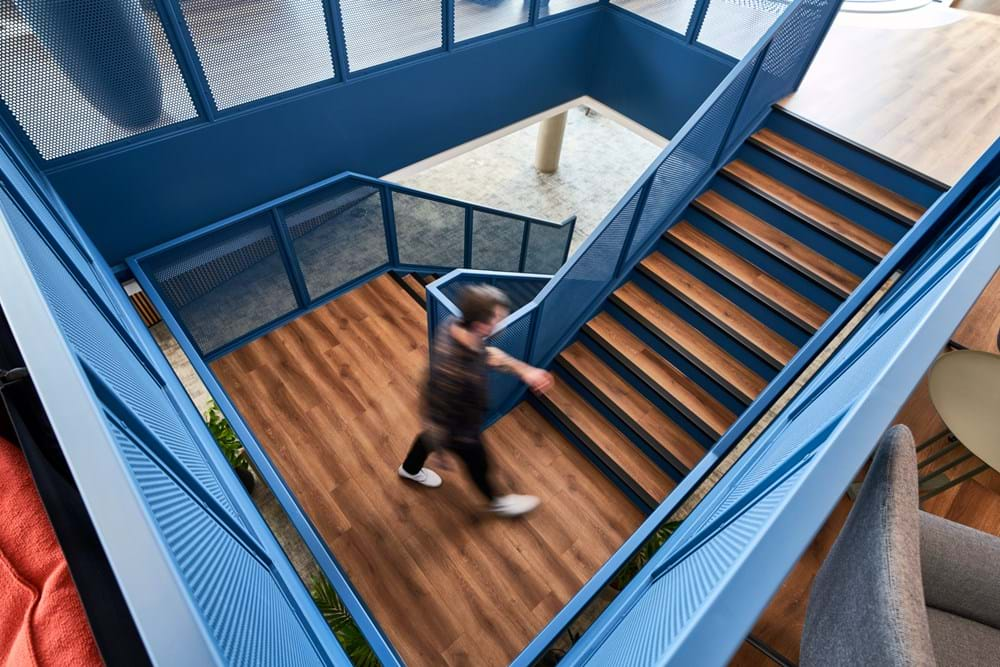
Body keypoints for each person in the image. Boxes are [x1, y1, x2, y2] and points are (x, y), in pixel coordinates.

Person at [398, 284, 554, 517]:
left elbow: (486, 355)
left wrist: (524, 370)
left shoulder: (455, 326)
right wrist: (442, 452)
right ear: (482, 325)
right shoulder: (454, 369)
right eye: (498, 318)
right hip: (458, 429)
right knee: (479, 464)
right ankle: (497, 502)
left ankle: (409, 469)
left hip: (447, 419)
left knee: (426, 438)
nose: (503, 322)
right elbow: (436, 406)